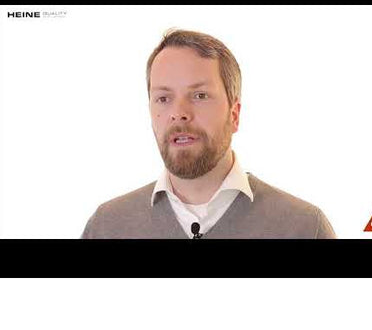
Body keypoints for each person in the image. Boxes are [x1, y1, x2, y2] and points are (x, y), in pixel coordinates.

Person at [81, 29, 336, 239]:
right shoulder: (106, 228)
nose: (179, 113)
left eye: (199, 95)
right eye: (163, 98)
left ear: (234, 114)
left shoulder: (304, 228)